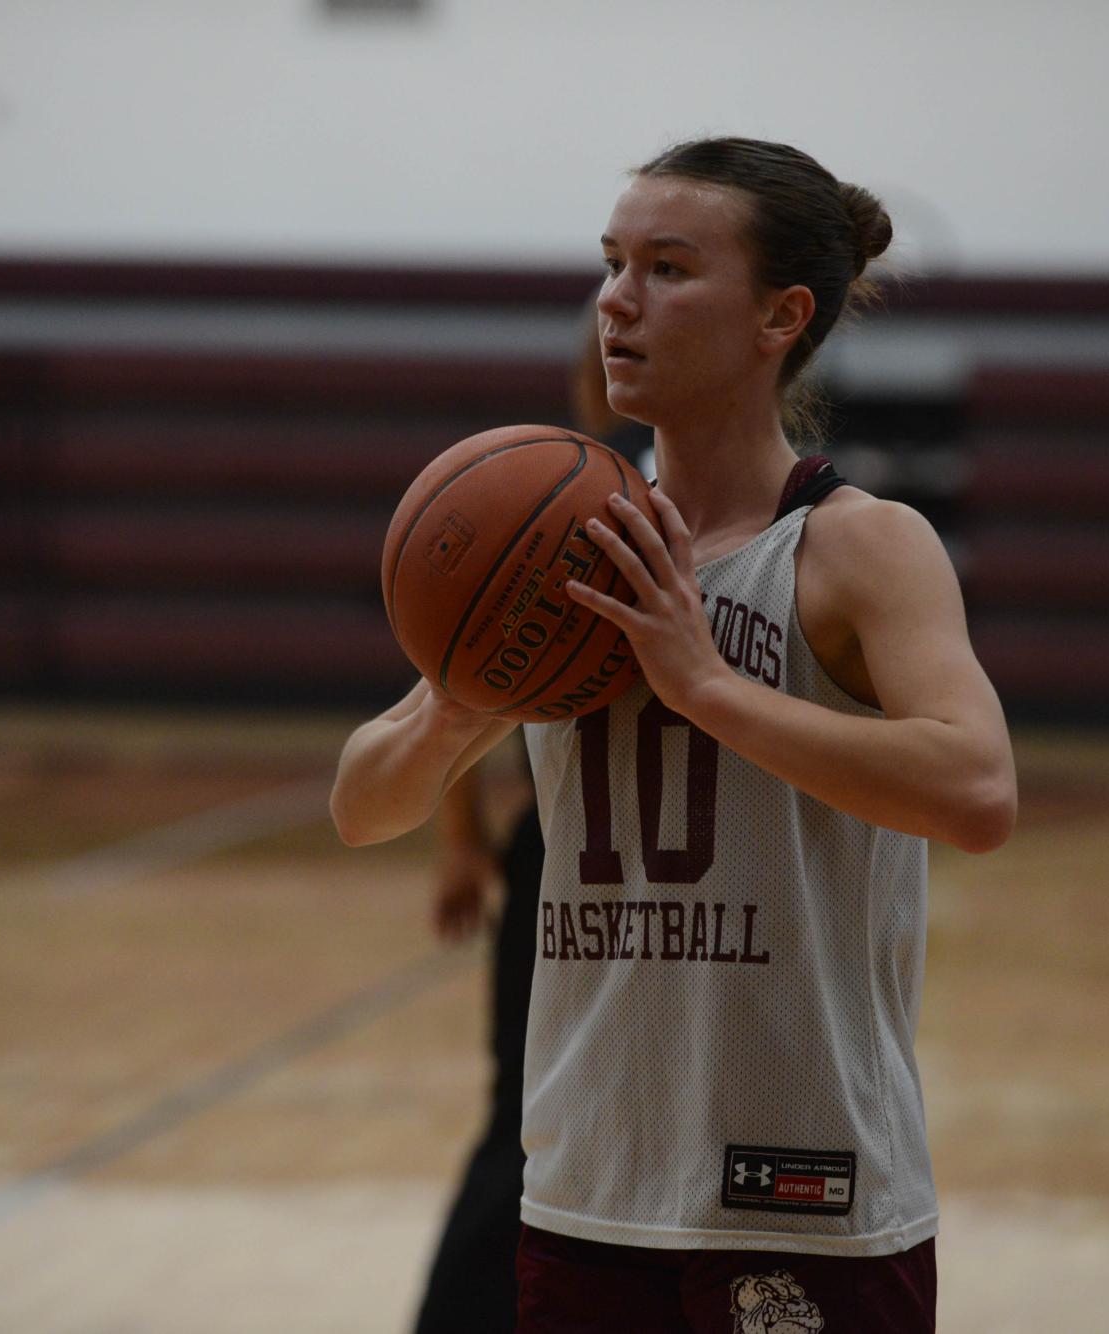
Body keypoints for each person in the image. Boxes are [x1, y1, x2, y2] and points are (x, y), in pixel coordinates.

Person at [335, 138, 1016, 1334]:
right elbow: (359, 803)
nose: (616, 298)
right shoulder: (562, 540)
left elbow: (977, 790)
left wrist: (706, 684)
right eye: (610, 263)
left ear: (779, 315)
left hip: (803, 1194)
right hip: (588, 1189)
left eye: (666, 267)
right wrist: (458, 703)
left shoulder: (858, 545)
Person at [410, 303, 649, 1334]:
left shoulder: (590, 493)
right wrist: (463, 836)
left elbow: (443, 666)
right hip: (581, 852)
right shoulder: (574, 487)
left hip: (584, 853)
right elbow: (443, 685)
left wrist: (460, 841)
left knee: (527, 1123)